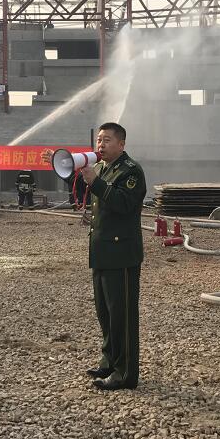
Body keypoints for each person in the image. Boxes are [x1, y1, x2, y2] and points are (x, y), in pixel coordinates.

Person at [42, 122, 146, 391]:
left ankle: (125, 373)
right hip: (102, 252)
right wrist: (59, 163)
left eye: (107, 140)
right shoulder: (103, 168)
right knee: (106, 313)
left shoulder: (131, 171)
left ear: (121, 144)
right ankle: (109, 361)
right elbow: (82, 188)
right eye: (99, 140)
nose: (101, 145)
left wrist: (96, 182)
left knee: (122, 315)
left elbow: (124, 204)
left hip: (121, 254)